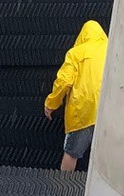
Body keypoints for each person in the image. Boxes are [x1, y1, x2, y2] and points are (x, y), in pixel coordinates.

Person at [45, 20, 107, 172]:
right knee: (108, 156)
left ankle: (63, 190)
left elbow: (64, 81)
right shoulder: (111, 49)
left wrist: (51, 104)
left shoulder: (76, 53)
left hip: (83, 112)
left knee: (72, 153)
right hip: (108, 109)